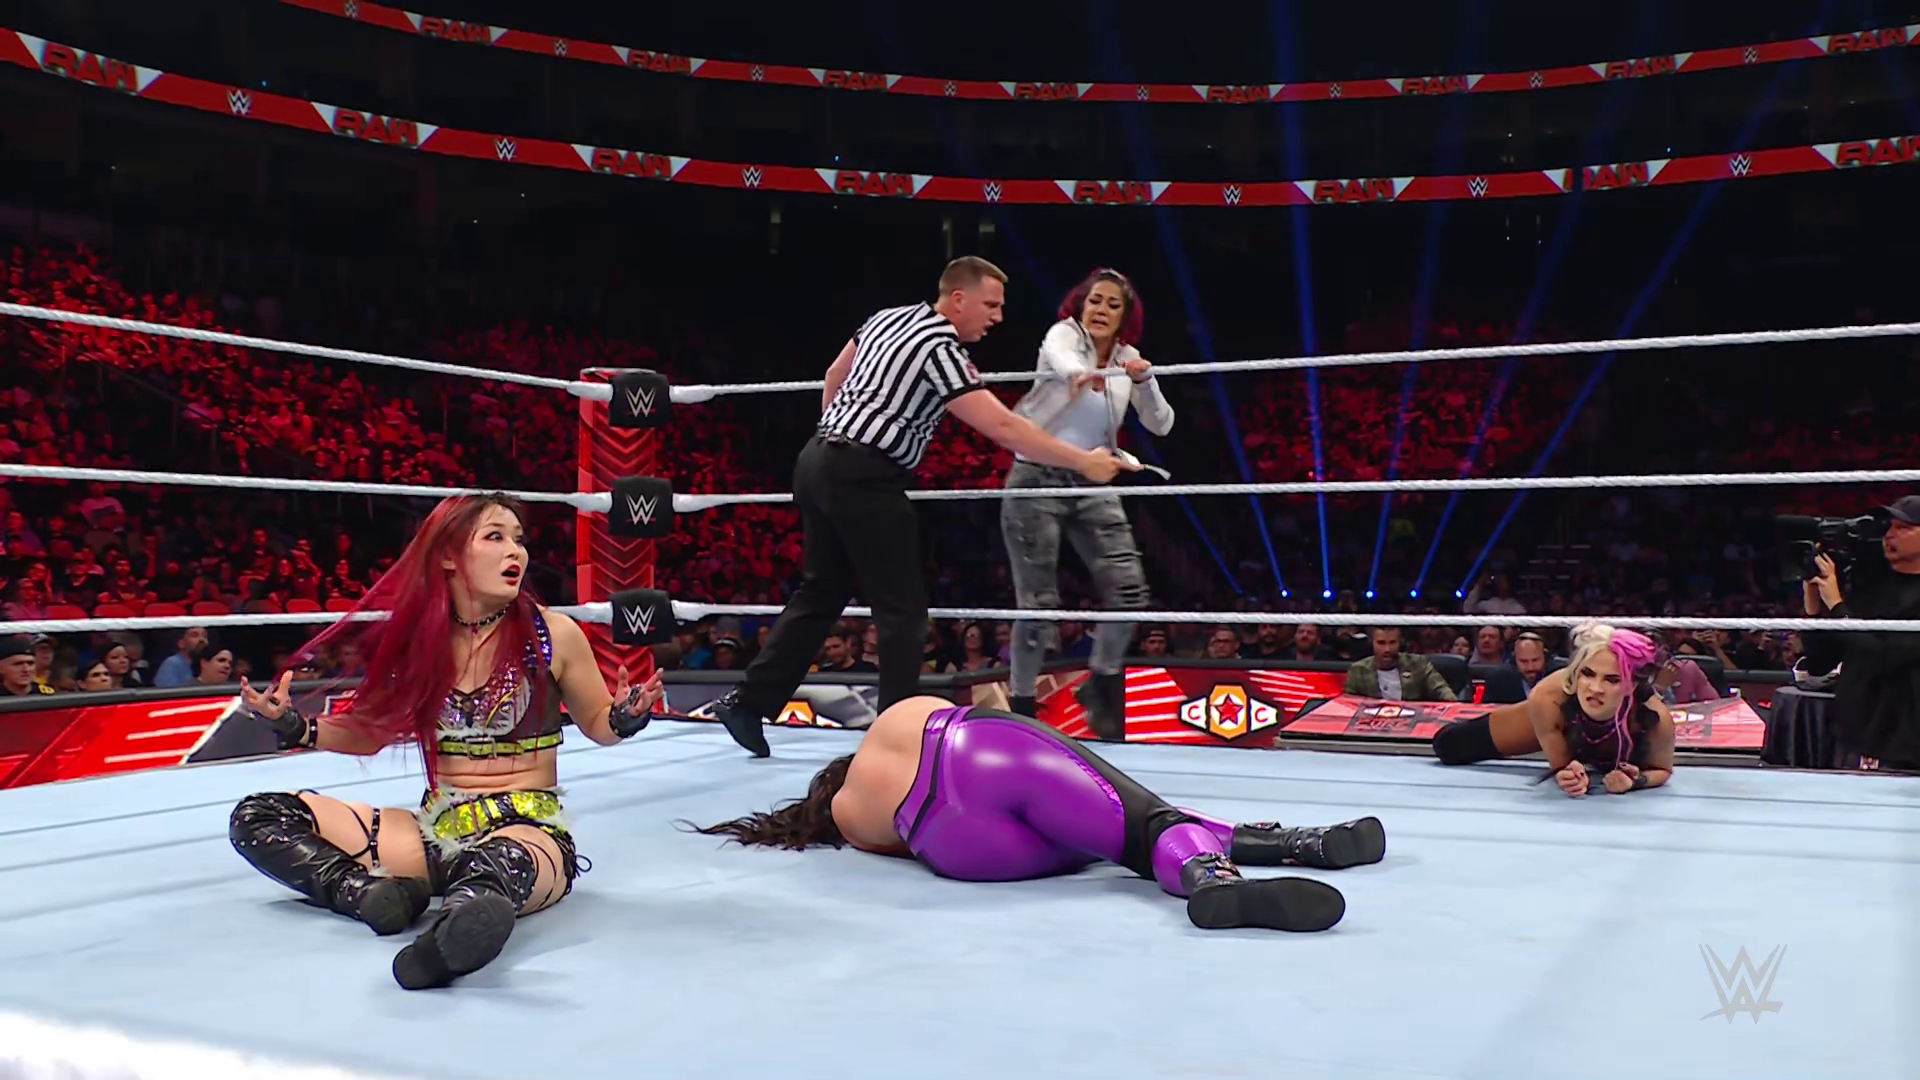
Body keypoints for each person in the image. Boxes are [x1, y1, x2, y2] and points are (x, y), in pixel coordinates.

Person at [226, 494, 665, 990]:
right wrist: (296, 727)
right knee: (259, 817)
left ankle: (441, 946)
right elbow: (369, 732)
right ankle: (369, 895)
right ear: (449, 555)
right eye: (495, 537)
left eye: (519, 540)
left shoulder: (553, 634)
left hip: (526, 831)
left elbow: (599, 723)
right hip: (435, 831)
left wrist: (626, 716)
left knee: (494, 867)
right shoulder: (420, 641)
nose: (515, 551)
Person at [701, 257, 1136, 757]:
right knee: (903, 614)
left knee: (822, 592)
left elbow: (835, 372)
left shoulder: (887, 318)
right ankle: (897, 740)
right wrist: (1082, 460)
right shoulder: (940, 349)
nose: (997, 318)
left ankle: (749, 702)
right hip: (864, 474)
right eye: (990, 305)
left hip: (818, 459)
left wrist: (835, 434)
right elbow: (1002, 427)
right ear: (958, 299)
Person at [688, 696, 1385, 932]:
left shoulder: (850, 822)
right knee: (1139, 820)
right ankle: (1219, 873)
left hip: (964, 854)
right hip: (979, 757)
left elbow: (912, 843)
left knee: (1113, 835)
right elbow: (981, 722)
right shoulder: (892, 722)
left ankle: (1284, 845)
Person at [1000, 269, 1173, 738]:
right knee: (1038, 603)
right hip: (1038, 475)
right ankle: (1022, 705)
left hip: (1093, 476)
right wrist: (1083, 374)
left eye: (1113, 304)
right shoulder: (1063, 335)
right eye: (1095, 300)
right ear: (1081, 304)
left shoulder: (1127, 358)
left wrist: (1145, 381)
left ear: (1125, 316)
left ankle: (1101, 681)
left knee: (1129, 591)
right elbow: (1062, 360)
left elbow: (1161, 424)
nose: (1101, 310)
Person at [1429, 622, 1675, 796]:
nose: (1595, 688)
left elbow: (1662, 770)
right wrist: (1567, 771)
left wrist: (1636, 781)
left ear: (1632, 685)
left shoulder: (1654, 719)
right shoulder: (1549, 698)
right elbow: (1563, 766)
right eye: (1588, 674)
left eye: (1611, 679)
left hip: (1616, 732)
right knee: (1449, 745)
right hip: (1564, 723)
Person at [1798, 496, 1920, 769]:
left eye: (1904, 527)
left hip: (1905, 742)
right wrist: (1814, 606)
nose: (1890, 535)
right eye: (1888, 526)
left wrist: (1837, 607)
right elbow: (1820, 663)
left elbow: (1886, 657)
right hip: (1853, 737)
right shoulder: (1870, 586)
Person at [1344, 627, 1458, 702]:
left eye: (1392, 643)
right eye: (1381, 643)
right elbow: (1349, 704)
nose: (1387, 649)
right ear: (1372, 643)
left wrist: (1454, 706)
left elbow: (1441, 689)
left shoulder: (1418, 663)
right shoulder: (1358, 670)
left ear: (1400, 643)